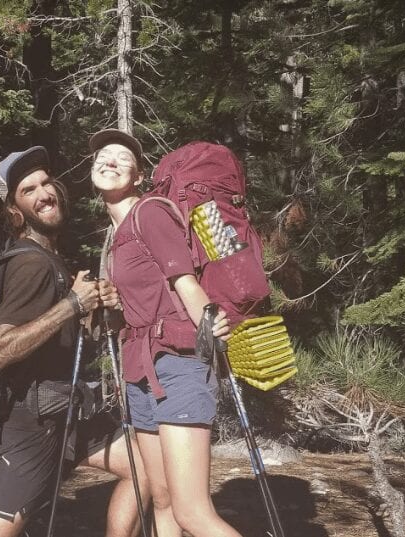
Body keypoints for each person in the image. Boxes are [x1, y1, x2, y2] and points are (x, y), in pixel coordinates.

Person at [0, 146, 148, 537]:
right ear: (14, 211)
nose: (44, 193)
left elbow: (59, 341)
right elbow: (1, 351)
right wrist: (72, 304)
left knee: (144, 469)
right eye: (28, 190)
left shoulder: (49, 258)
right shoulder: (29, 262)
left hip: (69, 413)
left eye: (46, 183)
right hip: (33, 426)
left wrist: (91, 309)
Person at [88, 129, 244, 537]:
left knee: (192, 512)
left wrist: (212, 324)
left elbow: (184, 281)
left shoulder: (150, 212)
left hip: (178, 365)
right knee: (162, 499)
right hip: (141, 371)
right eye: (102, 155)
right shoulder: (116, 235)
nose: (110, 160)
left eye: (122, 157)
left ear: (139, 176)